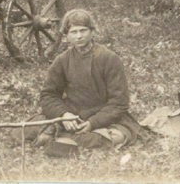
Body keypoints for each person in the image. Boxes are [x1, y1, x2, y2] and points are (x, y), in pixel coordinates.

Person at [27, 8, 142, 150]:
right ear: (66, 36)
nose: (79, 36)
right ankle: (63, 139)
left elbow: (119, 102)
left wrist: (93, 123)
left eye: (83, 30)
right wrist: (64, 115)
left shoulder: (109, 58)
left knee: (115, 136)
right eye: (73, 32)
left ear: (92, 32)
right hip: (73, 116)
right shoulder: (62, 60)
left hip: (104, 117)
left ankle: (60, 141)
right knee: (28, 128)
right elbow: (48, 95)